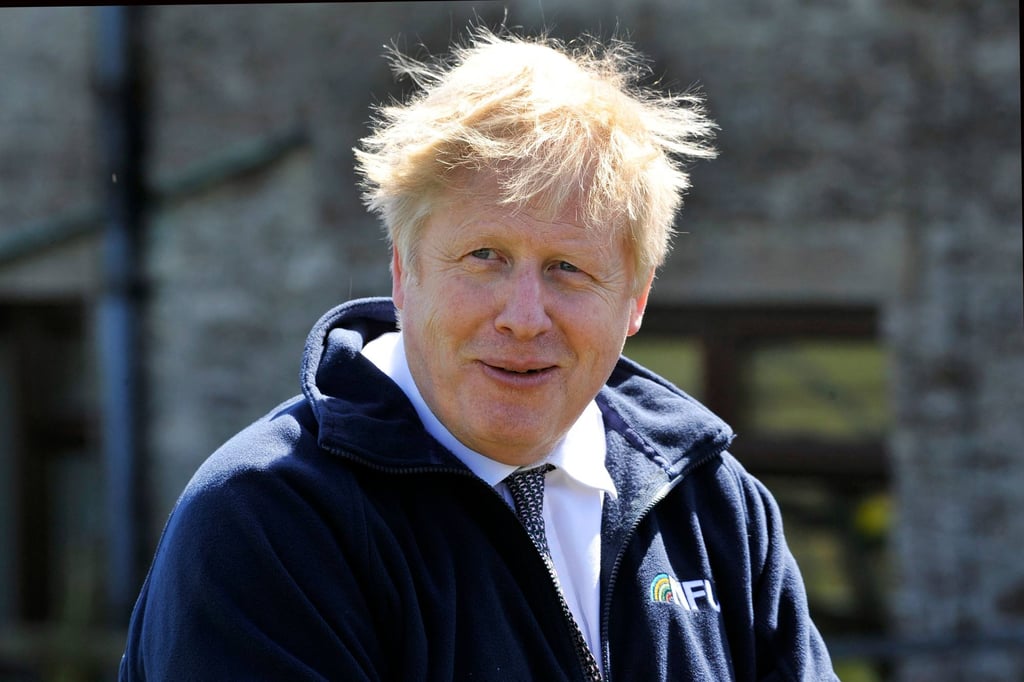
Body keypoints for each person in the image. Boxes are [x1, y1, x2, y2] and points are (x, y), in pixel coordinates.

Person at [120, 26, 838, 681]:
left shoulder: (716, 508)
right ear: (404, 272)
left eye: (568, 269)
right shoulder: (267, 519)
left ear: (636, 299)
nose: (523, 318)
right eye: (484, 256)